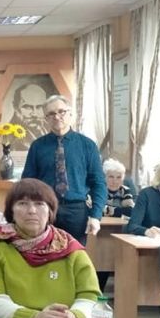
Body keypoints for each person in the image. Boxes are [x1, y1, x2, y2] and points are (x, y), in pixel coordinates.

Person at [0, 178, 101, 318]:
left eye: (40, 204)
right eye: (22, 203)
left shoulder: (71, 250)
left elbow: (90, 297)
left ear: (50, 211)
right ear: (11, 211)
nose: (32, 210)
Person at [22, 95, 106, 245]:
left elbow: (98, 183)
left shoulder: (87, 145)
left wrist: (95, 216)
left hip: (77, 212)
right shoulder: (37, 146)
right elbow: (27, 183)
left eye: (61, 111)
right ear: (46, 119)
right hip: (45, 210)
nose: (57, 117)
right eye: (51, 114)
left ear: (70, 113)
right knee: (43, 253)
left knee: (74, 255)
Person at [9, 82, 49, 150]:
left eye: (39, 107)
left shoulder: (49, 128)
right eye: (27, 107)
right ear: (15, 107)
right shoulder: (9, 136)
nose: (34, 114)